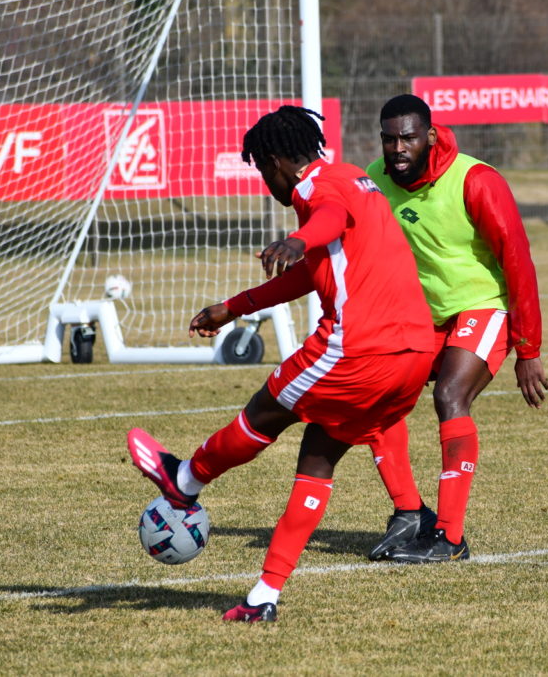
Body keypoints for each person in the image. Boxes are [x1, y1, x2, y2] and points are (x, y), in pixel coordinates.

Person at [127, 105, 435, 622]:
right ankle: (262, 597)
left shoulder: (316, 188)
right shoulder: (354, 177)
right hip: (414, 353)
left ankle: (185, 480)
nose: (264, 182)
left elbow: (328, 217)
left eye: (261, 170)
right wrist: (235, 307)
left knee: (267, 408)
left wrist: (298, 238)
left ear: (275, 161)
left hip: (357, 349)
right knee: (317, 455)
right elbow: (310, 272)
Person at [363, 94, 548, 564]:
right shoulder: (375, 179)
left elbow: (518, 261)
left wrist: (528, 350)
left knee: (450, 396)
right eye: (389, 139)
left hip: (483, 306)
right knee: (376, 395)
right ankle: (410, 512)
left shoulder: (476, 179)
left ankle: (449, 538)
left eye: (408, 138)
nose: (398, 149)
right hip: (424, 314)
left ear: (429, 135)